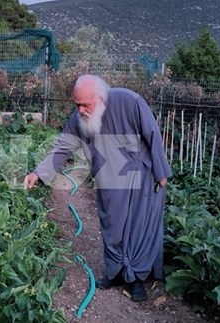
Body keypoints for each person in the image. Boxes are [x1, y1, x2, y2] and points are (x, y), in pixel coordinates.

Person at [24, 74, 172, 302]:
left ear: (101, 99)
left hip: (141, 174)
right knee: (112, 226)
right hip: (109, 179)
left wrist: (161, 173)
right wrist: (38, 173)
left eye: (86, 105)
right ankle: (115, 272)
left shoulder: (129, 101)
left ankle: (136, 278)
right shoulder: (78, 121)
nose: (81, 110)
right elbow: (62, 147)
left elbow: (152, 134)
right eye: (77, 104)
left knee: (139, 227)